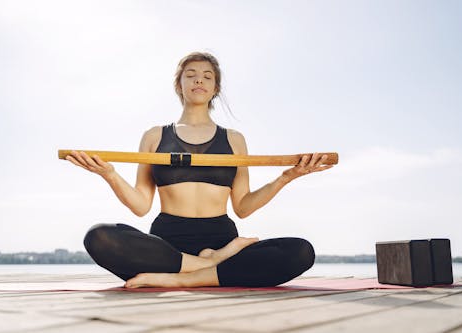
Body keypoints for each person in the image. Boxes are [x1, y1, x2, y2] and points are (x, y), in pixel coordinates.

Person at [65, 52, 333, 288]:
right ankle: (212, 267)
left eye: (207, 76)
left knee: (300, 252)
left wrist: (286, 177)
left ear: (215, 88)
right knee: (98, 237)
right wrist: (109, 174)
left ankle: (183, 277)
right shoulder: (154, 136)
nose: (198, 80)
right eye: (190, 75)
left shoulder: (234, 139)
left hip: (221, 237)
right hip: (167, 246)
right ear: (179, 85)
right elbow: (140, 205)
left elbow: (243, 206)